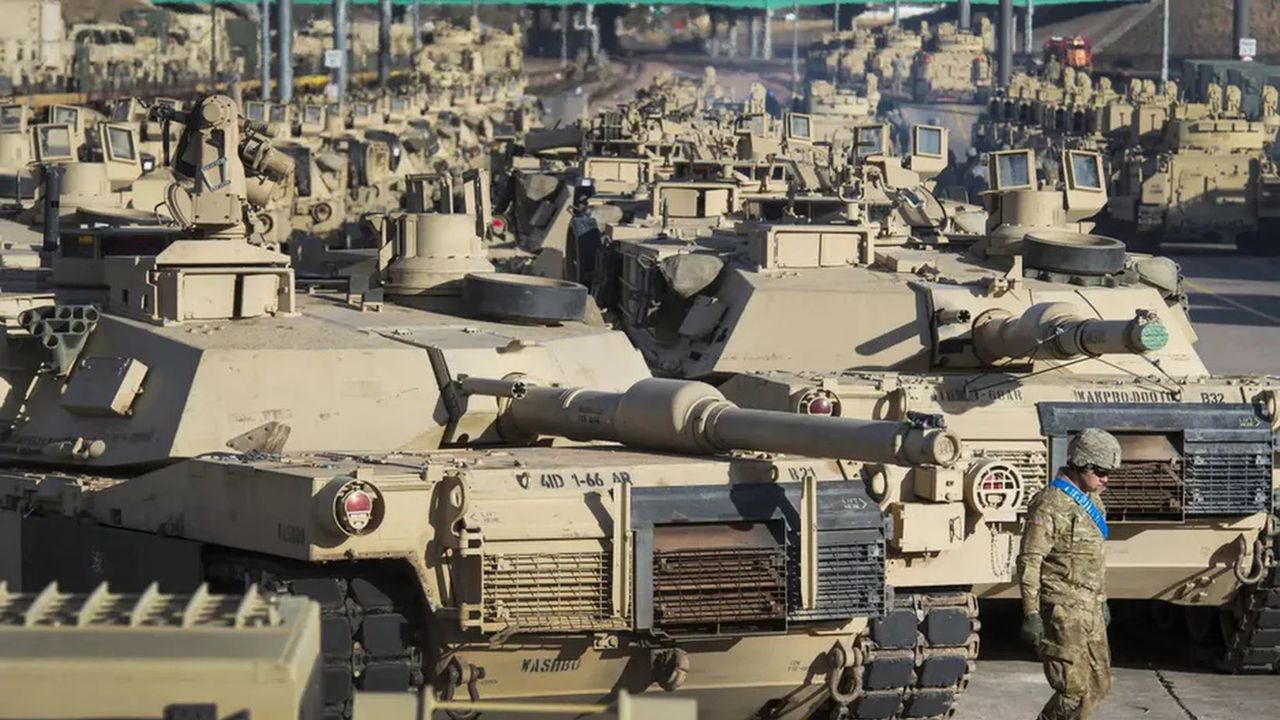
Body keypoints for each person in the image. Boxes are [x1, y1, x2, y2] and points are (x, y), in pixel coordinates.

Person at [1018, 428, 1120, 720]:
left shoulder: (1093, 502)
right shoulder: (1050, 503)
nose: (1105, 480)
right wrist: (1031, 614)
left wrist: (1102, 599)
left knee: (1099, 685)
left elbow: (1094, 559)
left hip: (1090, 607)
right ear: (1081, 464)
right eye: (1100, 471)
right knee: (1072, 690)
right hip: (1063, 609)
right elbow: (1030, 560)